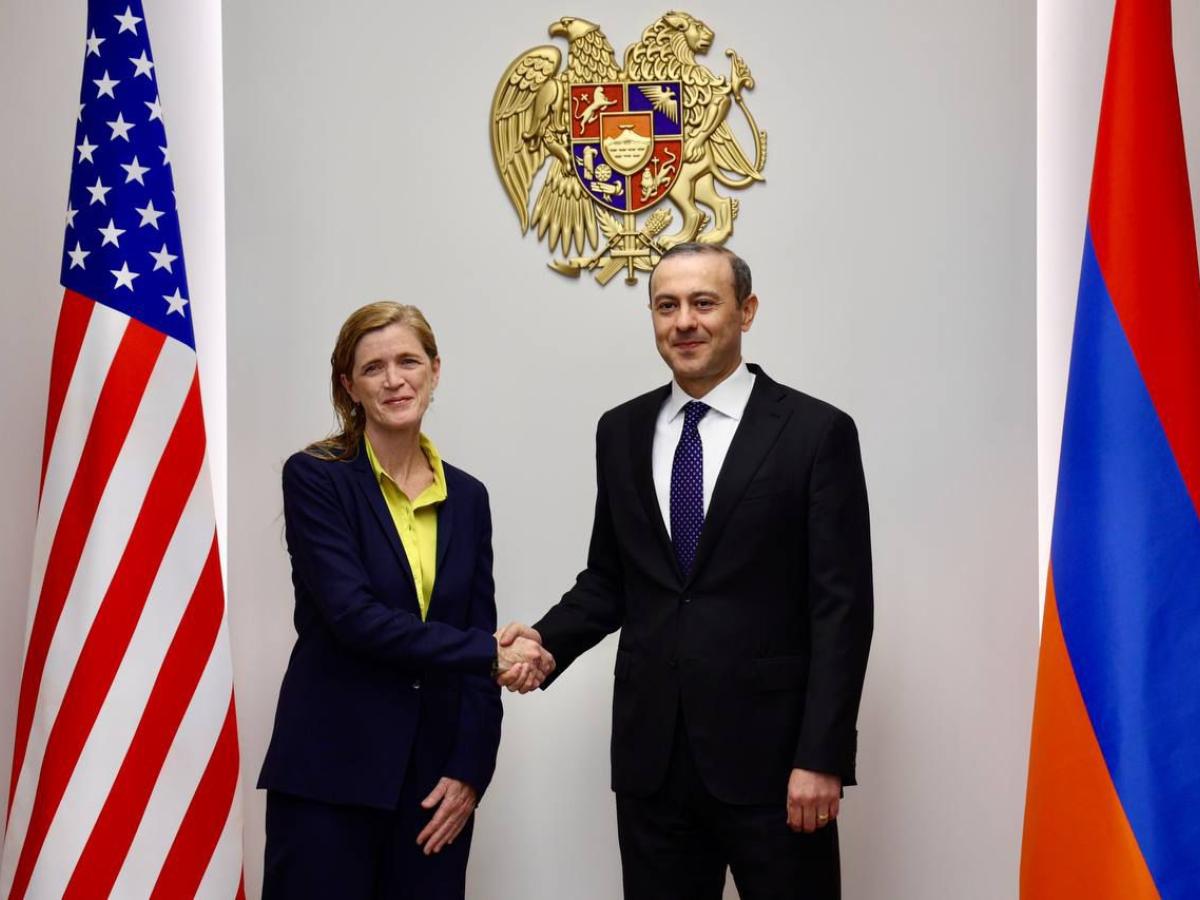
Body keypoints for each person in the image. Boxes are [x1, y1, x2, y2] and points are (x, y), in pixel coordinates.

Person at [499, 244, 873, 899]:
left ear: (746, 311)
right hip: (654, 767)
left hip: (778, 768)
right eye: (666, 306)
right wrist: (544, 644)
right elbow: (611, 578)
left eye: (704, 303)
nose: (684, 322)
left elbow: (841, 609)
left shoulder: (816, 434)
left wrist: (823, 755)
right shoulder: (620, 431)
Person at [258, 302, 553, 899]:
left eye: (408, 362)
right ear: (350, 386)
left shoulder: (468, 497)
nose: (394, 380)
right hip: (329, 773)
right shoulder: (316, 477)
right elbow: (353, 618)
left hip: (433, 786)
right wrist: (488, 654)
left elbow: (479, 633)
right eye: (373, 368)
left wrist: (472, 769)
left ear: (435, 371)